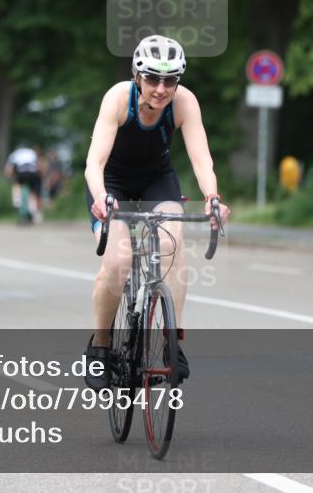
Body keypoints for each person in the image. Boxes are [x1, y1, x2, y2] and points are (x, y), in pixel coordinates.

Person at [83, 34, 231, 390]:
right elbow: (94, 162)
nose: (161, 88)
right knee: (117, 264)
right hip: (112, 184)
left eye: (170, 80)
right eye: (152, 78)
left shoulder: (185, 102)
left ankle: (171, 344)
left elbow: (201, 158)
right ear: (138, 76)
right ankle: (100, 347)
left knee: (172, 243)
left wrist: (212, 197)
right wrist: (102, 197)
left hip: (156, 181)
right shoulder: (119, 98)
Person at [4, 145, 42, 222]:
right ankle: (33, 209)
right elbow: (39, 166)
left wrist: (10, 178)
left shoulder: (15, 153)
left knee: (17, 184)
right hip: (32, 172)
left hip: (21, 172)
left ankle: (17, 202)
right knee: (33, 191)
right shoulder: (32, 152)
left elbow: (8, 169)